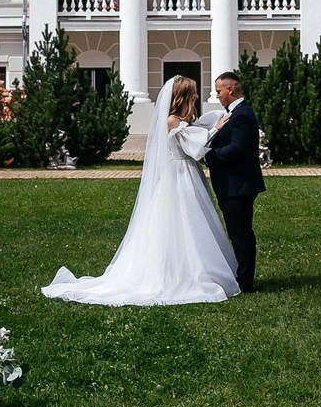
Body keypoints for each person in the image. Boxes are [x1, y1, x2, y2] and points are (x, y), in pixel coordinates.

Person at [42, 75, 242, 305]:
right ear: (183, 96)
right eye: (193, 92)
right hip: (179, 176)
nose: (197, 96)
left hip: (187, 173)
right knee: (182, 221)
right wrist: (215, 130)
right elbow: (194, 148)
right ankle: (182, 272)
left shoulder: (181, 120)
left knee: (194, 221)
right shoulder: (172, 121)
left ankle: (198, 265)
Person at [202, 71, 264, 292]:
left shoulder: (242, 115)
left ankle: (245, 281)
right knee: (237, 232)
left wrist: (209, 155)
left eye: (219, 90)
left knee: (241, 234)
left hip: (239, 184)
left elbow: (238, 148)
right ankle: (241, 276)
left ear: (230, 89)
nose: (217, 95)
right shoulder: (232, 113)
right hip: (232, 184)